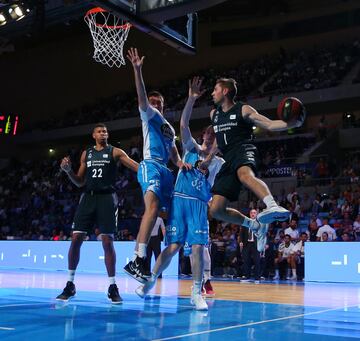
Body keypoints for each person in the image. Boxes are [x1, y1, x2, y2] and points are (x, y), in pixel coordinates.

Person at [135, 77, 225, 310]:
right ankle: (150, 279)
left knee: (196, 247)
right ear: (203, 135)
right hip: (179, 202)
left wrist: (217, 147)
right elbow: (183, 124)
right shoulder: (190, 147)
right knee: (173, 247)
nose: (210, 136)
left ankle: (196, 292)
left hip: (197, 205)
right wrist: (191, 99)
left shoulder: (218, 162)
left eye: (214, 136)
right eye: (208, 133)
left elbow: (209, 162)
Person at [208, 78, 305, 247]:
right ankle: (255, 225)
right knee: (216, 210)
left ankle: (272, 205)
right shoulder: (214, 114)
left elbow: (268, 124)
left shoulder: (243, 109)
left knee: (244, 175)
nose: (212, 93)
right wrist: (208, 159)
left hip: (243, 149)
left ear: (225, 91)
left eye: (215, 89)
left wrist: (291, 123)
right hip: (227, 158)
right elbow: (218, 138)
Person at [123, 48, 191, 283]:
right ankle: (138, 259)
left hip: (166, 170)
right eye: (153, 102)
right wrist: (137, 70)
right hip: (150, 165)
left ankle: (176, 247)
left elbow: (174, 153)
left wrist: (182, 163)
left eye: (158, 102)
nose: (155, 104)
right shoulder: (148, 115)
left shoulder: (168, 128)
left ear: (164, 105)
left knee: (171, 212)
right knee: (151, 209)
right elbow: (141, 98)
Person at [56, 123, 139, 303]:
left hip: (107, 199)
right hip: (88, 198)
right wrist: (68, 171)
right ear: (94, 135)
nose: (104, 133)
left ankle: (112, 286)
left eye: (106, 131)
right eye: (100, 131)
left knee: (107, 242)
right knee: (76, 239)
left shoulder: (115, 152)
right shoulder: (87, 153)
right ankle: (70, 284)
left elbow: (136, 167)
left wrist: (152, 172)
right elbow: (79, 182)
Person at [239, 209, 261, 282]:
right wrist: (240, 241)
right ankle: (247, 276)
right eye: (251, 213)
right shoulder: (246, 222)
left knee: (257, 261)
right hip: (246, 243)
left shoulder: (260, 223)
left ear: (256, 214)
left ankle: (257, 278)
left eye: (254, 213)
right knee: (246, 260)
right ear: (249, 214)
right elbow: (241, 233)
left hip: (256, 244)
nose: (253, 214)